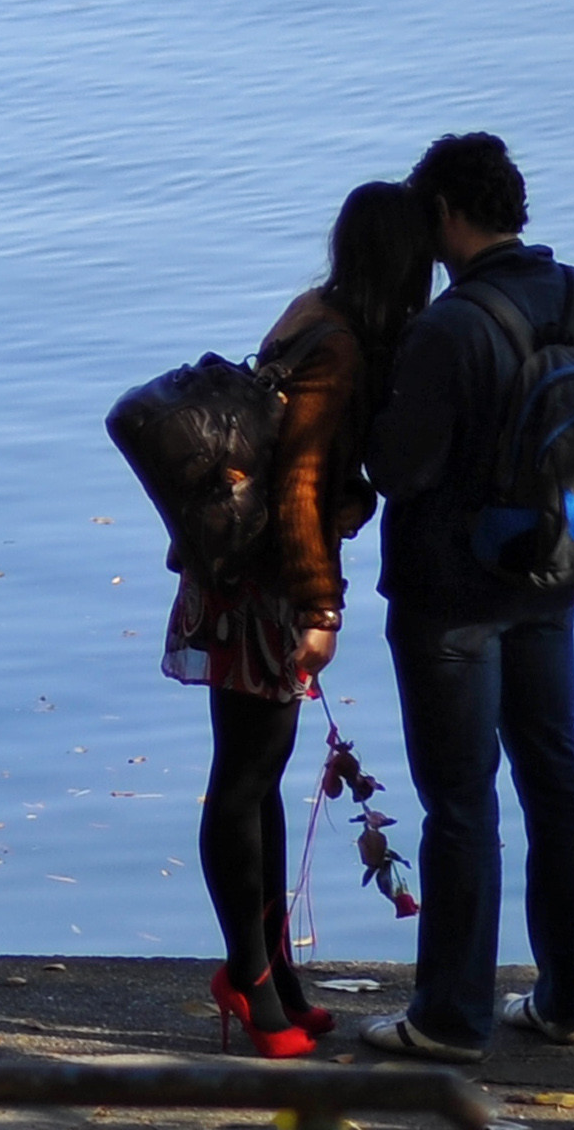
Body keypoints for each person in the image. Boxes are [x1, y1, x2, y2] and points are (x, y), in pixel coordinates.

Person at [361, 131, 574, 1065]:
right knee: (558, 774)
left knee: (462, 804)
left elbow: (400, 468)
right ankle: (566, 998)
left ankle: (451, 1019)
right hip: (554, 578)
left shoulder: (450, 328)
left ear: (443, 215)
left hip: (452, 603)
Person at [165, 179, 437, 1057]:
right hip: (271, 588)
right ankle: (247, 976)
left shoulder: (309, 309)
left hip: (235, 573)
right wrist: (321, 607)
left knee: (261, 770)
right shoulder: (344, 348)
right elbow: (303, 486)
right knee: (244, 780)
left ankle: (271, 969)